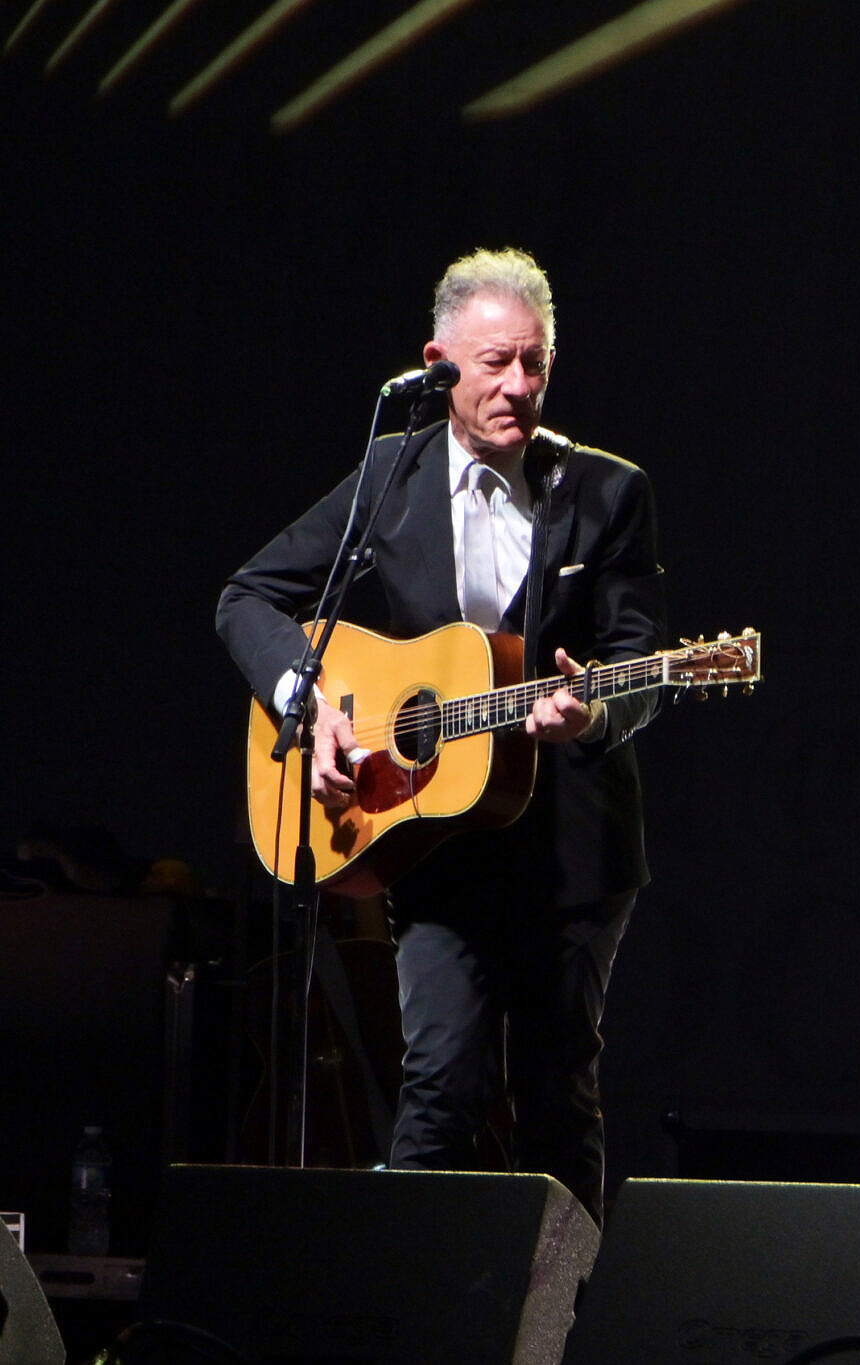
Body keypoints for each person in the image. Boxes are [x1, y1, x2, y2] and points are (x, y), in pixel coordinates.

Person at [217, 248, 667, 1222]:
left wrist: (593, 710)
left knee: (556, 1096)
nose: (518, 386)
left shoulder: (608, 492)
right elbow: (250, 596)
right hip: (435, 836)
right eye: (495, 363)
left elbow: (642, 659)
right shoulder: (393, 475)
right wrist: (312, 702)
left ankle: (563, 1323)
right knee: (436, 1093)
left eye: (534, 364)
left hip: (572, 848)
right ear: (438, 362)